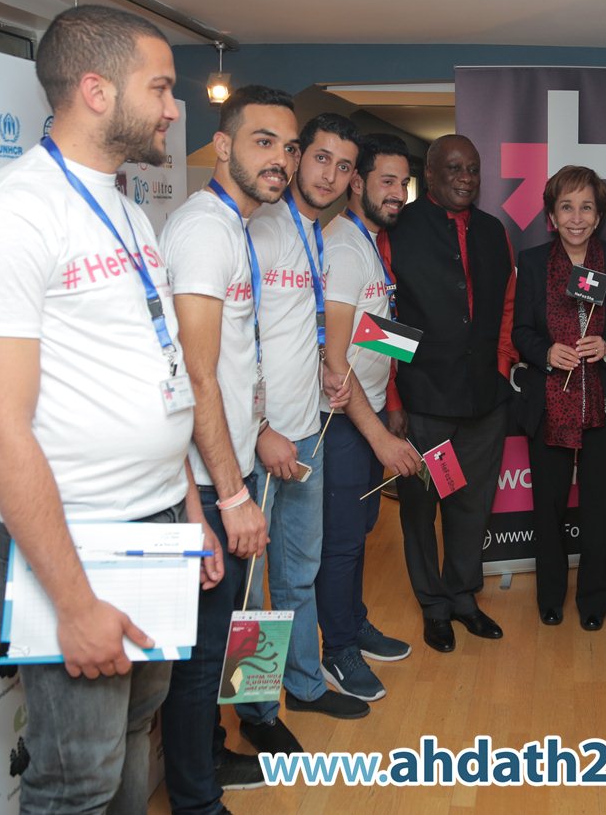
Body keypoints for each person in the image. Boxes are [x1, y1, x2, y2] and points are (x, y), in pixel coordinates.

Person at [0, 5, 220, 814]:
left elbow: (157, 375)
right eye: (160, 88)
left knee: (135, 729)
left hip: (157, 522)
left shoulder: (127, 209)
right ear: (97, 91)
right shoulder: (10, 213)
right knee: (76, 780)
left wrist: (191, 513)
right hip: (81, 539)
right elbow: (0, 428)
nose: (173, 108)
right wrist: (72, 604)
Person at [160, 84, 301, 806]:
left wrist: (261, 433)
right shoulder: (204, 231)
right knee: (201, 654)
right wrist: (233, 494)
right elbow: (197, 374)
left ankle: (216, 753)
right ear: (221, 146)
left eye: (288, 147)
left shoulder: (238, 226)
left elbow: (235, 364)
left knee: (236, 628)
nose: (282, 160)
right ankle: (196, 796)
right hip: (212, 482)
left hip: (244, 461)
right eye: (263, 142)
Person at [239, 113, 366, 754]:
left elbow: (289, 331)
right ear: (295, 158)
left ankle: (306, 684)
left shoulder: (315, 235)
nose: (330, 175)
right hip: (259, 442)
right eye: (319, 158)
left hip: (306, 430)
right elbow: (230, 344)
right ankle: (256, 712)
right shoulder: (259, 229)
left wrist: (324, 370)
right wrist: (261, 428)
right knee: (255, 585)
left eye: (343, 166)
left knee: (299, 572)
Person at [389, 134, 518, 653]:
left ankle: (464, 597)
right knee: (421, 509)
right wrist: (394, 400)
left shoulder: (493, 231)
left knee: (471, 506)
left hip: (484, 401)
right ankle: (434, 607)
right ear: (430, 172)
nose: (466, 178)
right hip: (423, 402)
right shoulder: (398, 229)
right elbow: (386, 321)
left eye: (473, 169)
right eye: (455, 168)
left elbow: (508, 304)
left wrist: (502, 365)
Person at [315, 133, 423, 701]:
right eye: (386, 181)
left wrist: (394, 399)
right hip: (341, 421)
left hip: (372, 408)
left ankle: (352, 622)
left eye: (402, 183)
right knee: (340, 542)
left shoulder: (372, 243)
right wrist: (379, 435)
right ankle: (337, 650)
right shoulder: (342, 246)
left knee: (358, 533)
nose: (397, 193)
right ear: (356, 183)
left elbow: (373, 330)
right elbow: (334, 360)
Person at [512, 165, 606, 631]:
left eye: (586, 207)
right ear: (552, 215)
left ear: (600, 214)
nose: (577, 217)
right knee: (548, 510)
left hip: (604, 402)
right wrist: (546, 352)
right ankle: (550, 597)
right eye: (567, 207)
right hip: (550, 403)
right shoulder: (533, 261)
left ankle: (594, 599)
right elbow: (520, 330)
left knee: (600, 510)